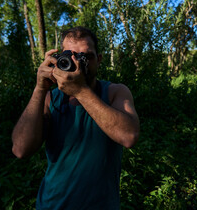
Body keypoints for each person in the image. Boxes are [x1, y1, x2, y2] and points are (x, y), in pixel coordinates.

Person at [11, 26, 140, 209]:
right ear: (59, 59)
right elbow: (20, 149)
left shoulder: (114, 92)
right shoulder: (50, 99)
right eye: (71, 56)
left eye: (86, 56)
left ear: (99, 60)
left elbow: (129, 136)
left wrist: (80, 91)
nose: (79, 63)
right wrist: (40, 89)